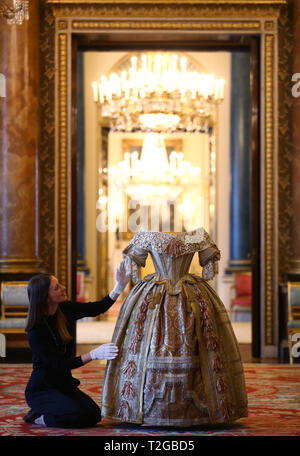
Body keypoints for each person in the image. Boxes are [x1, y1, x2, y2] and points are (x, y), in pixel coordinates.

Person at [101, 228, 248, 427]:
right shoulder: (195, 236)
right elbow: (209, 266)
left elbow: (133, 265)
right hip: (186, 292)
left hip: (159, 293)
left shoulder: (150, 236)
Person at [23, 260, 129, 428]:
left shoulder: (63, 309)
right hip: (42, 390)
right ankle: (39, 418)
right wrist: (93, 354)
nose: (63, 287)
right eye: (57, 287)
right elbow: (59, 365)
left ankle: (49, 412)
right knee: (77, 415)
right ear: (45, 296)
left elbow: (97, 308)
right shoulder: (35, 331)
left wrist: (119, 287)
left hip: (64, 385)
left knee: (94, 415)